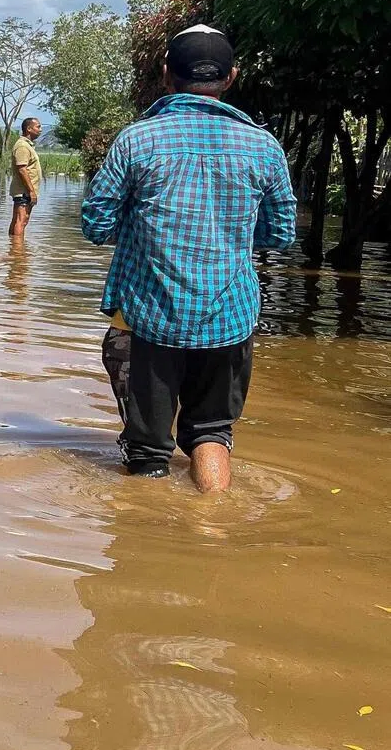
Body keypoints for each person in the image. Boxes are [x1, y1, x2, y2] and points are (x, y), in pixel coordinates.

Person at [81, 25, 296, 493]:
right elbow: (280, 235)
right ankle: (212, 530)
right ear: (231, 77)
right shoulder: (263, 146)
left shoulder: (136, 141)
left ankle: (156, 545)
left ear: (165, 75)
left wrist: (143, 229)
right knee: (212, 433)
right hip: (229, 319)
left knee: (147, 451)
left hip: (148, 319)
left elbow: (95, 226)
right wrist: (229, 233)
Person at [9, 117, 43, 238]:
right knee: (21, 220)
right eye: (38, 127)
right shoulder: (22, 146)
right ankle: (18, 252)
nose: (40, 129)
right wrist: (31, 191)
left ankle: (13, 248)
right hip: (24, 192)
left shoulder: (27, 145)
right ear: (29, 129)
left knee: (20, 220)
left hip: (26, 191)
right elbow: (22, 169)